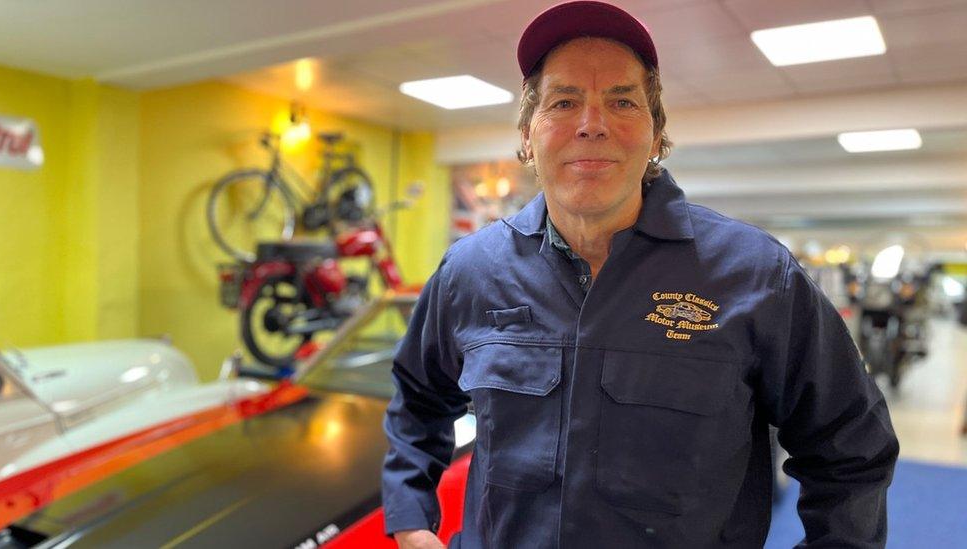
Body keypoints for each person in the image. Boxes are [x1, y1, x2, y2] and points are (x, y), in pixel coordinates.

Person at [382, 1, 899, 547]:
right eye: (564, 101)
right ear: (528, 137)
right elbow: (417, 398)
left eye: (622, 100)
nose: (592, 124)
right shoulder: (471, 269)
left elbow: (851, 448)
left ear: (656, 137)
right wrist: (410, 516)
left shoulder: (755, 275)